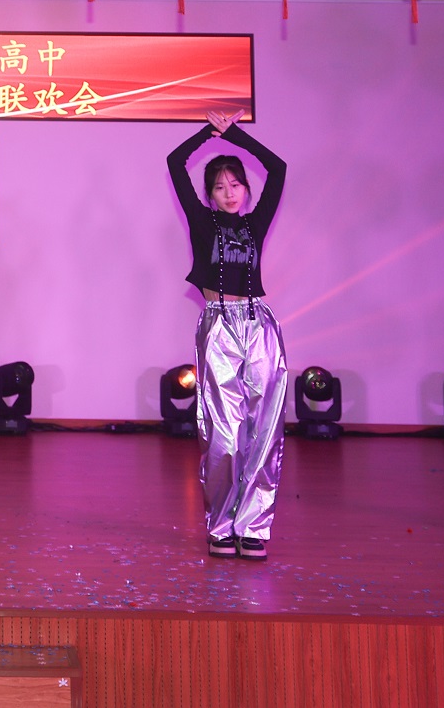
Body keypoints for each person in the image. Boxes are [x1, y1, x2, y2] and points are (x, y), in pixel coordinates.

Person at [165, 109, 288, 560]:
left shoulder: (256, 223)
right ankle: (221, 525)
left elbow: (278, 168)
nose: (230, 192)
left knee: (263, 430)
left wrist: (234, 135)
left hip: (260, 326)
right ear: (210, 195)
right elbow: (175, 162)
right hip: (218, 325)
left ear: (246, 190)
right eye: (219, 186)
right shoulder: (203, 223)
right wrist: (208, 133)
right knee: (224, 431)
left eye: (236, 184)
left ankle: (253, 526)